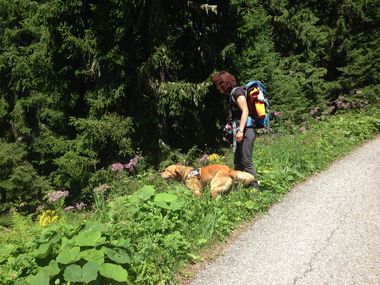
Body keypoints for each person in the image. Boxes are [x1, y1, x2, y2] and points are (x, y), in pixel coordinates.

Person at [212, 71, 260, 188]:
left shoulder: (237, 92)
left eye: (218, 85)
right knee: (238, 162)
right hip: (240, 130)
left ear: (223, 83)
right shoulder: (233, 93)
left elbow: (245, 111)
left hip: (246, 130)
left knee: (246, 161)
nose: (218, 88)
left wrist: (241, 131)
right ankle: (238, 188)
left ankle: (255, 189)